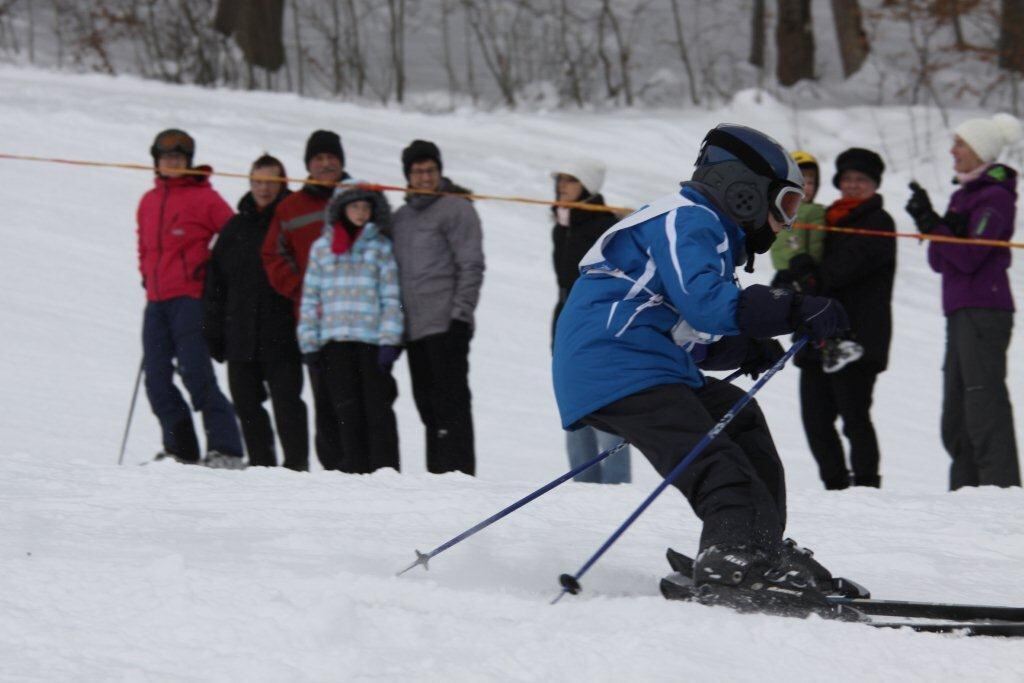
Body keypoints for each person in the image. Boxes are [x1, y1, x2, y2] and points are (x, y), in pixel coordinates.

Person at [552, 123, 851, 609]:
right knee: (715, 457)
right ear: (746, 194)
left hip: (648, 364)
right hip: (617, 366)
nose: (787, 223)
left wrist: (744, 350)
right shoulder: (686, 219)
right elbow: (708, 306)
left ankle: (758, 548)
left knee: (738, 417)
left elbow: (692, 337)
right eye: (786, 205)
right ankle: (732, 556)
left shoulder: (707, 235)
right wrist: (792, 308)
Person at [905, 113, 1021, 489]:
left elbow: (969, 257)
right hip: (959, 309)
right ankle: (966, 492)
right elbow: (941, 260)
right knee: (955, 406)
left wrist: (936, 228)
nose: (952, 151)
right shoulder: (963, 195)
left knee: (981, 399)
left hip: (984, 309)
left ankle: (999, 488)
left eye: (960, 145)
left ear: (980, 151)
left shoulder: (995, 197)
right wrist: (935, 224)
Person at [779, 148, 895, 490]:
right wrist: (791, 276)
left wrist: (810, 276)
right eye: (847, 179)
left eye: (862, 180)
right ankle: (835, 486)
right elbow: (799, 255)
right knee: (815, 419)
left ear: (874, 184)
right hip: (819, 333)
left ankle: (865, 487)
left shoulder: (878, 221)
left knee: (853, 416)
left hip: (857, 335)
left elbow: (848, 266)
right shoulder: (825, 217)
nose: (853, 185)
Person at [136, 128, 244, 468]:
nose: (173, 163)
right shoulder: (148, 201)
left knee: (196, 373)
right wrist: (146, 275)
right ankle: (180, 449)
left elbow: (235, 237)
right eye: (167, 158)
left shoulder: (204, 198)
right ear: (157, 162)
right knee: (155, 378)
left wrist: (211, 275)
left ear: (188, 162)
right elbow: (144, 247)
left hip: (190, 300)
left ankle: (226, 449)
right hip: (156, 302)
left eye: (179, 158)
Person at [203, 154, 309, 471]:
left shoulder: (291, 222)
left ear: (283, 183)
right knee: (247, 406)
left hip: (283, 333)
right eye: (258, 181)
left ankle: (296, 468)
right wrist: (213, 331)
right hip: (240, 334)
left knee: (287, 405)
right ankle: (262, 468)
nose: (263, 188)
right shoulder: (235, 228)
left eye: (270, 182)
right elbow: (215, 285)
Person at [391, 140, 485, 475]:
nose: (425, 177)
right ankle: (437, 476)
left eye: (430, 170)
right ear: (407, 175)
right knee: (427, 407)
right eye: (418, 171)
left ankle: (459, 475)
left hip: (447, 323)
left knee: (451, 406)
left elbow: (471, 264)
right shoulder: (400, 218)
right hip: (414, 329)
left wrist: (461, 315)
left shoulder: (455, 208)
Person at [297, 183, 403, 473]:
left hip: (370, 341)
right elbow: (310, 298)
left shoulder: (380, 246)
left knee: (376, 409)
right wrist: (309, 343)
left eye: (366, 207)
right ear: (342, 209)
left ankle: (384, 471)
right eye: (354, 206)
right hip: (334, 341)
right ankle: (349, 470)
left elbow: (391, 296)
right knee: (344, 408)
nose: (360, 212)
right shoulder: (322, 248)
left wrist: (389, 340)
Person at [261, 130, 348, 471]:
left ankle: (370, 468)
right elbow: (273, 254)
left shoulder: (360, 196)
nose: (326, 164)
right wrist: (300, 288)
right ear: (309, 165)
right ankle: (333, 471)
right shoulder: (291, 207)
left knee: (363, 397)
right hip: (314, 319)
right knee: (324, 396)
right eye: (319, 159)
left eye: (332, 158)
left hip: (361, 321)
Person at [550, 159, 631, 484]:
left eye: (571, 180)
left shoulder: (605, 225)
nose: (562, 187)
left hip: (601, 329)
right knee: (575, 415)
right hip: (566, 325)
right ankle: (583, 491)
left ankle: (616, 489)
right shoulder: (560, 225)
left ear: (587, 185)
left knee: (608, 415)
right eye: (561, 180)